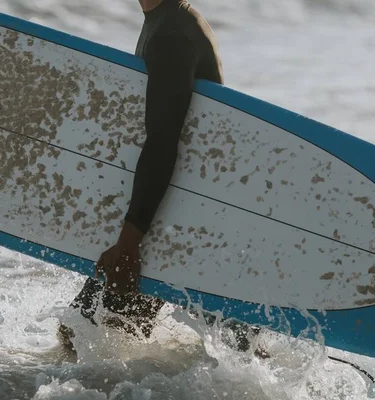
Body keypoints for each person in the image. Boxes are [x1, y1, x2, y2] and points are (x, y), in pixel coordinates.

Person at [58, 0, 266, 357]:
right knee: (88, 332)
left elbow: (164, 143)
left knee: (81, 332)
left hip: (183, 216)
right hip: (183, 211)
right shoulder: (167, 19)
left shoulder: (171, 33)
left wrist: (128, 244)